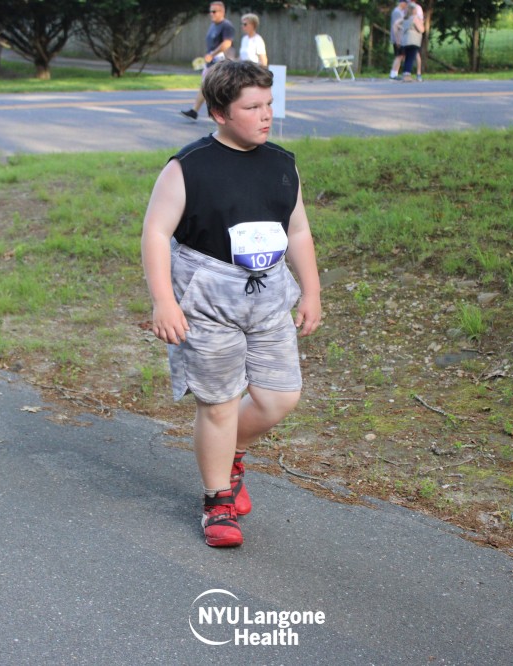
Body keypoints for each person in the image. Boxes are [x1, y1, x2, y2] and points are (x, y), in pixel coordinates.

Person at [144, 61, 322, 547]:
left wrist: (311, 291)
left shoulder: (282, 164)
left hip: (267, 298)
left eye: (269, 104)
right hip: (207, 301)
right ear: (220, 113)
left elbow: (298, 231)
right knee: (219, 404)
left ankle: (230, 454)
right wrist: (164, 301)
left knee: (280, 397)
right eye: (252, 107)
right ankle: (217, 501)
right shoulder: (188, 167)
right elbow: (156, 233)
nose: (266, 116)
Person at [180, 2, 235, 121]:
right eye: (210, 11)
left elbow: (227, 43)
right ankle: (194, 111)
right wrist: (209, 56)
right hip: (211, 62)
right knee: (205, 86)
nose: (211, 14)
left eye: (214, 11)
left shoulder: (226, 26)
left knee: (218, 89)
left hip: (221, 63)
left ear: (222, 12)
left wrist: (212, 54)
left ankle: (227, 114)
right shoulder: (213, 25)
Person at [401, 0, 425, 82]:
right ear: (413, 10)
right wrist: (421, 24)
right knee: (411, 57)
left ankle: (405, 74)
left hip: (406, 40)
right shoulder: (414, 18)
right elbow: (421, 29)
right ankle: (407, 75)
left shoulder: (405, 18)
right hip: (413, 40)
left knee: (407, 57)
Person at [388, 0, 407, 80]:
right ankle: (393, 74)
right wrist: (397, 39)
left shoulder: (400, 12)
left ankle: (396, 73)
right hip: (398, 38)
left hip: (401, 37)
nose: (406, 5)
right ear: (402, 3)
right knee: (399, 56)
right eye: (405, 3)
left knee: (401, 56)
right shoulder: (397, 12)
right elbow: (395, 26)